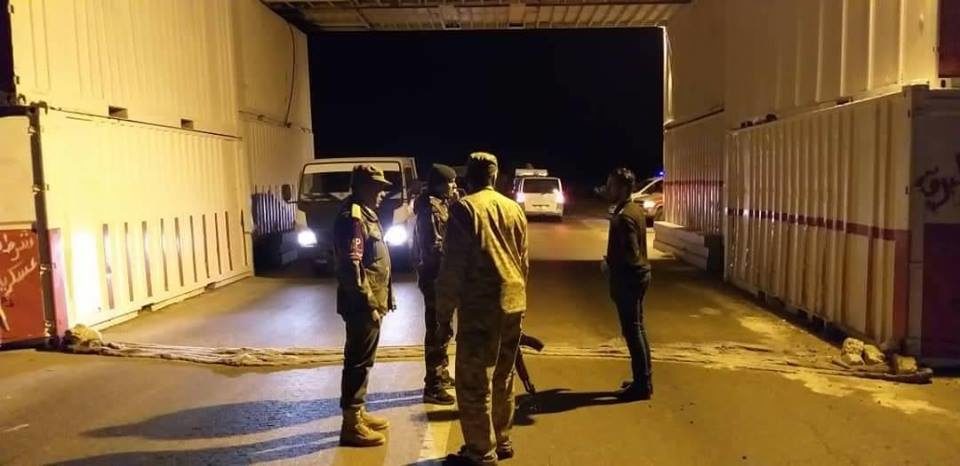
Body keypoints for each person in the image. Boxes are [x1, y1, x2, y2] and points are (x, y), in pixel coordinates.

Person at [437, 152, 529, 466]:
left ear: (469, 176)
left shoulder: (465, 208)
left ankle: (480, 451)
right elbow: (523, 261)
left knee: (473, 380)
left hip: (481, 306)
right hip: (514, 301)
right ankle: (503, 440)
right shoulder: (514, 208)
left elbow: (453, 265)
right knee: (503, 376)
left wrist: (443, 312)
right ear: (495, 176)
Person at [333, 164, 396, 447]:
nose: (382, 193)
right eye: (377, 187)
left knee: (364, 360)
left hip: (372, 300)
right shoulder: (353, 218)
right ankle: (351, 425)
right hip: (362, 304)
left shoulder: (367, 214)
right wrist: (369, 303)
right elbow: (352, 267)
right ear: (361, 187)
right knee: (357, 362)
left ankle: (358, 412)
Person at [603, 167, 653, 401]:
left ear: (623, 188)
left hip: (629, 280)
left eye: (611, 185)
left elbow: (631, 253)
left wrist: (612, 265)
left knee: (633, 332)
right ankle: (643, 379)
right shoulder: (633, 209)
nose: (608, 189)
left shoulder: (624, 216)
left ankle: (642, 386)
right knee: (637, 329)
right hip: (639, 276)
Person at [413, 163, 459, 405]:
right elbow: (433, 247)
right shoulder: (430, 209)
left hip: (441, 276)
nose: (454, 186)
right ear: (439, 185)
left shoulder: (442, 204)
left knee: (444, 328)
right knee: (437, 330)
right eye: (450, 182)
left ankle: (441, 372)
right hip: (435, 277)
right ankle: (433, 384)